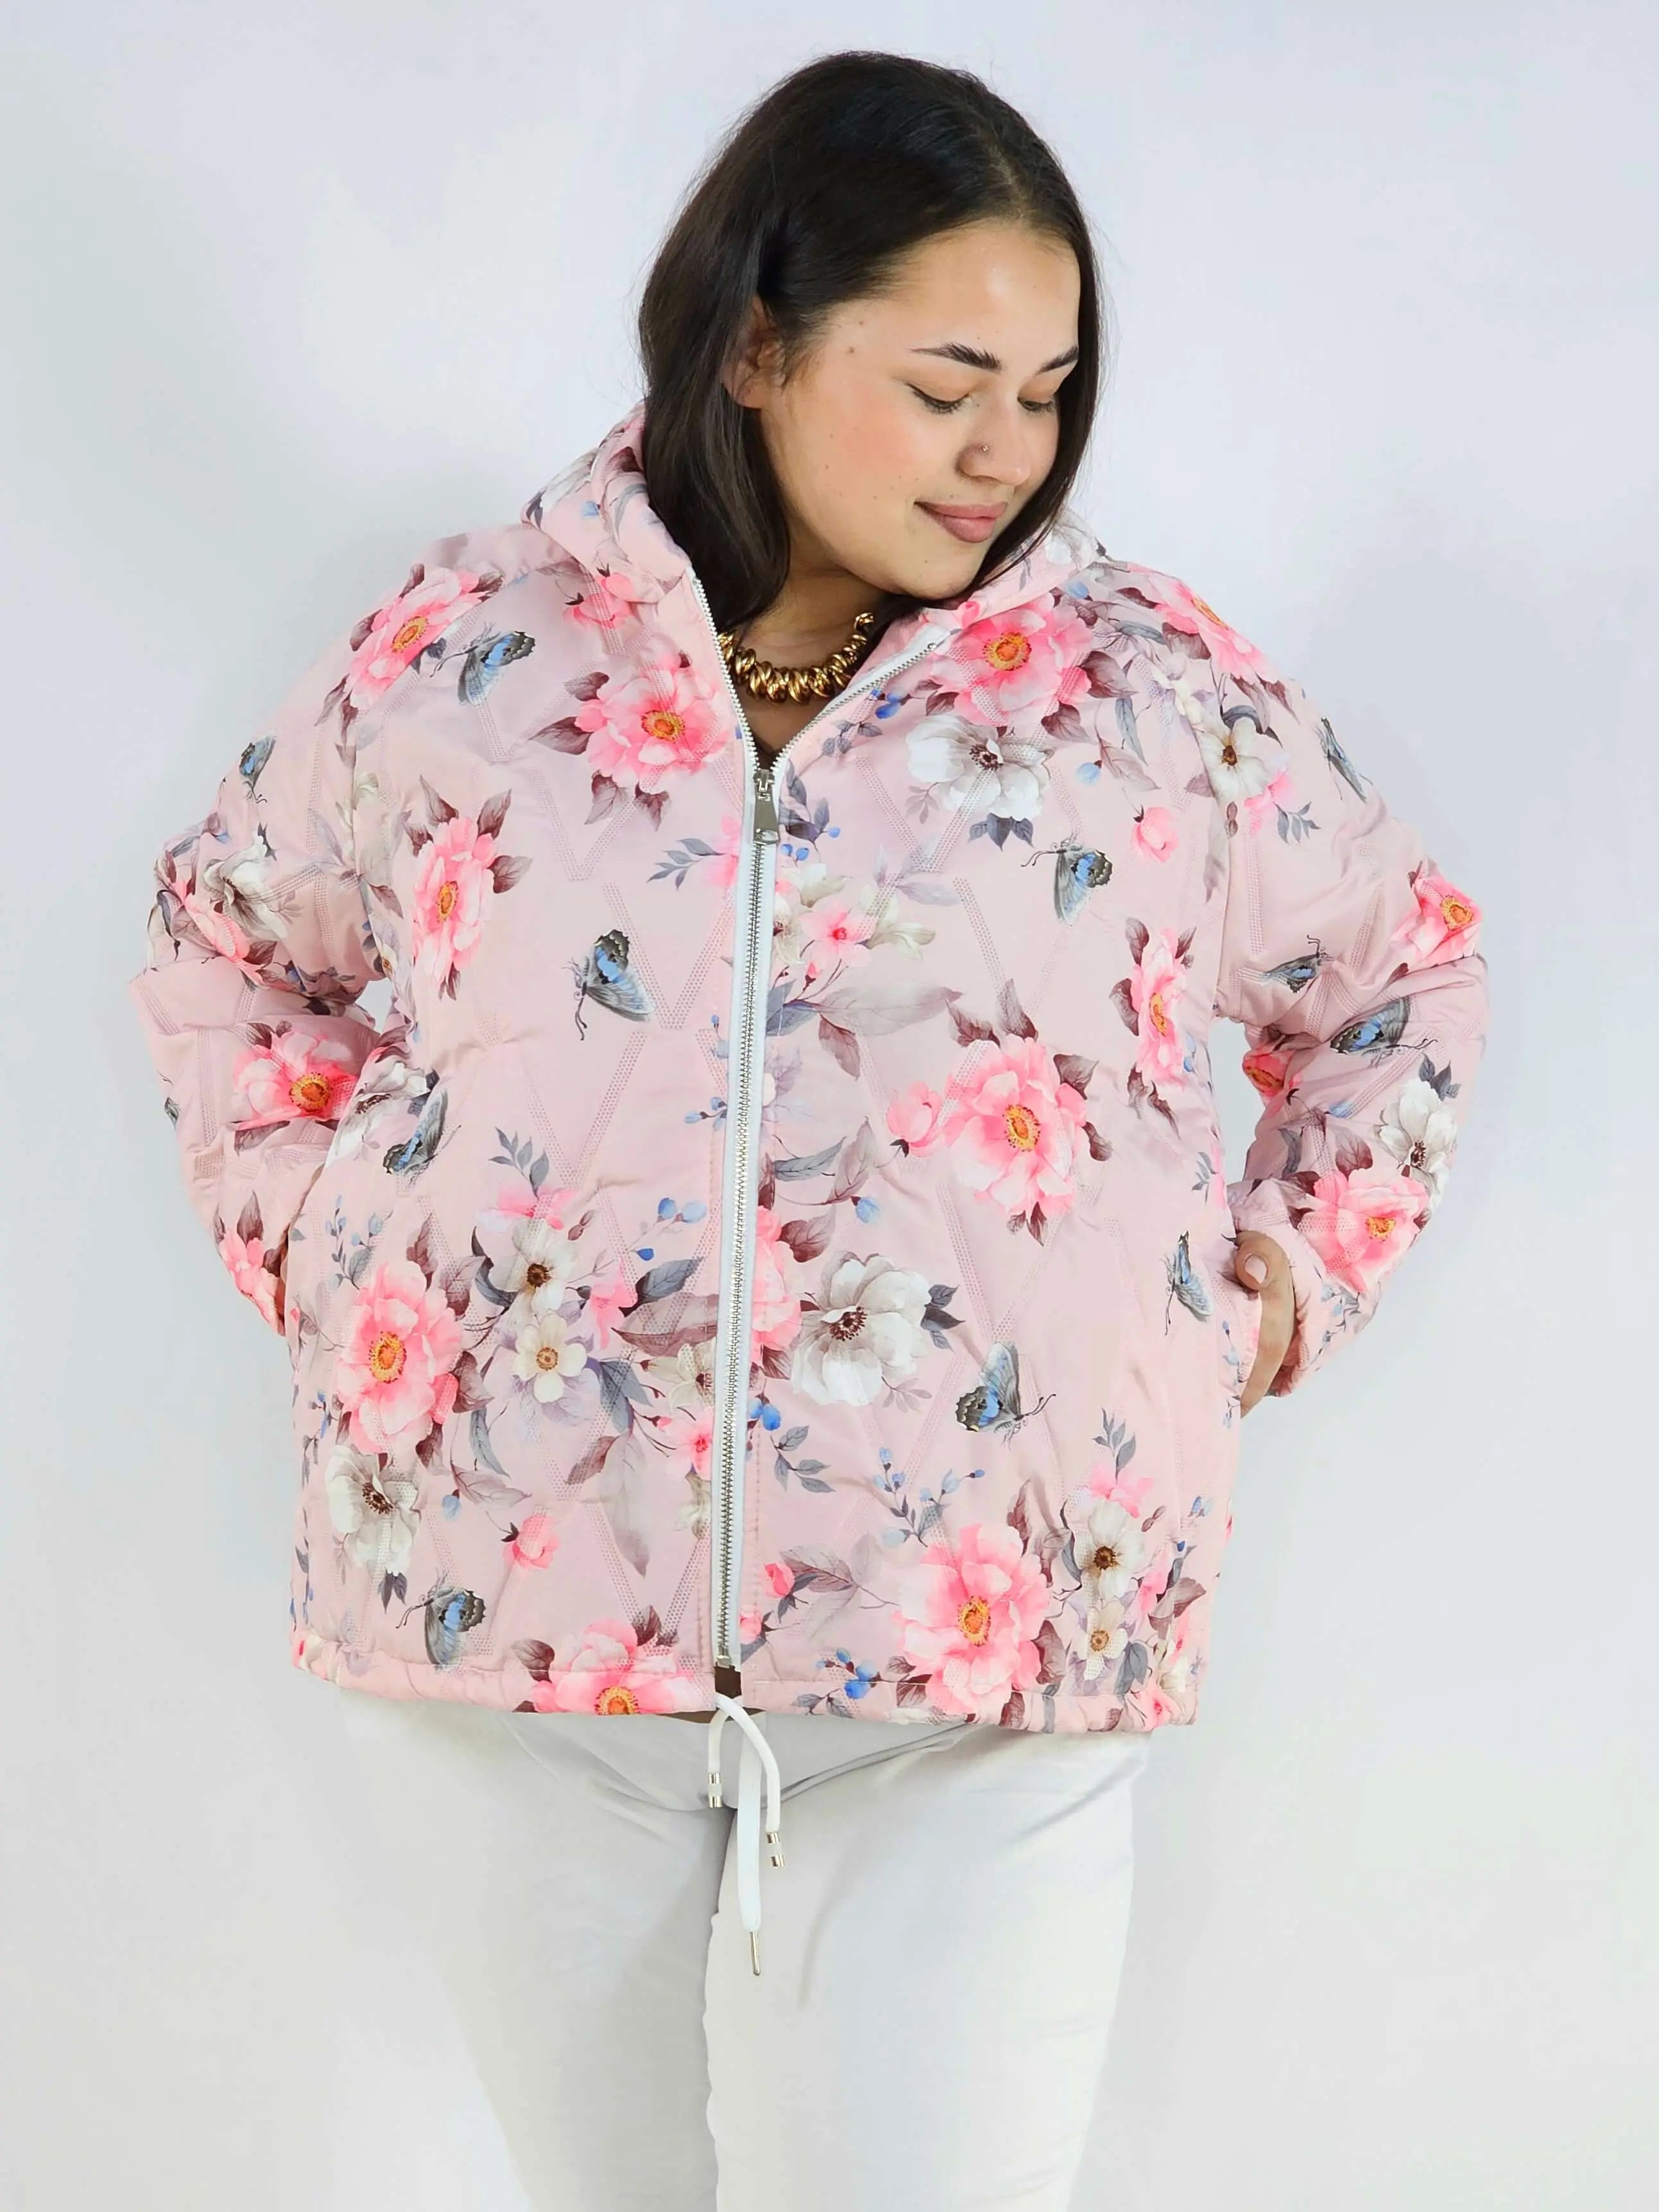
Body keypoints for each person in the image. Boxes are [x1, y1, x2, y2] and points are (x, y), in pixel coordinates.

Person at [126, 48, 1490, 2212]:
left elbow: (1402, 976)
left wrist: (1273, 1288)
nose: (1004, 451)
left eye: (1045, 391)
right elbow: (225, 938)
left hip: (986, 1659)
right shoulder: (473, 652)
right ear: (755, 346)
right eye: (946, 383)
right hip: (515, 1630)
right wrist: (326, 1246)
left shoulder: (1148, 694)